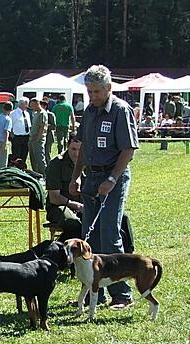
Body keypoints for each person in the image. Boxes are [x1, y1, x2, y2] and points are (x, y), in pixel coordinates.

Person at [70, 64, 138, 309]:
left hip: (113, 178)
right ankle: (93, 291)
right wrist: (76, 176)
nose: (93, 96)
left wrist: (111, 180)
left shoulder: (121, 110)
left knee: (110, 236)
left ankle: (122, 294)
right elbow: (84, 148)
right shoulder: (89, 111)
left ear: (108, 88)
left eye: (97, 92)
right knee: (90, 236)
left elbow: (128, 150)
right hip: (91, 178)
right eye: (89, 91)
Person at [45, 135, 84, 239]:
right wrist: (77, 206)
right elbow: (54, 198)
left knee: (121, 218)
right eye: (73, 149)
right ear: (67, 146)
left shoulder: (90, 162)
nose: (76, 154)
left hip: (85, 206)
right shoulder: (56, 164)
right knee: (74, 223)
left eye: (80, 150)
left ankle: (127, 253)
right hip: (60, 206)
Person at [28, 97, 48, 176]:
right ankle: (36, 174)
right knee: (33, 158)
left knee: (40, 158)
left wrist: (38, 138)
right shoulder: (35, 113)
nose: (32, 107)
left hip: (38, 139)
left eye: (33, 105)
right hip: (32, 138)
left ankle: (44, 174)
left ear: (37, 104)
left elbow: (42, 127)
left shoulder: (42, 113)